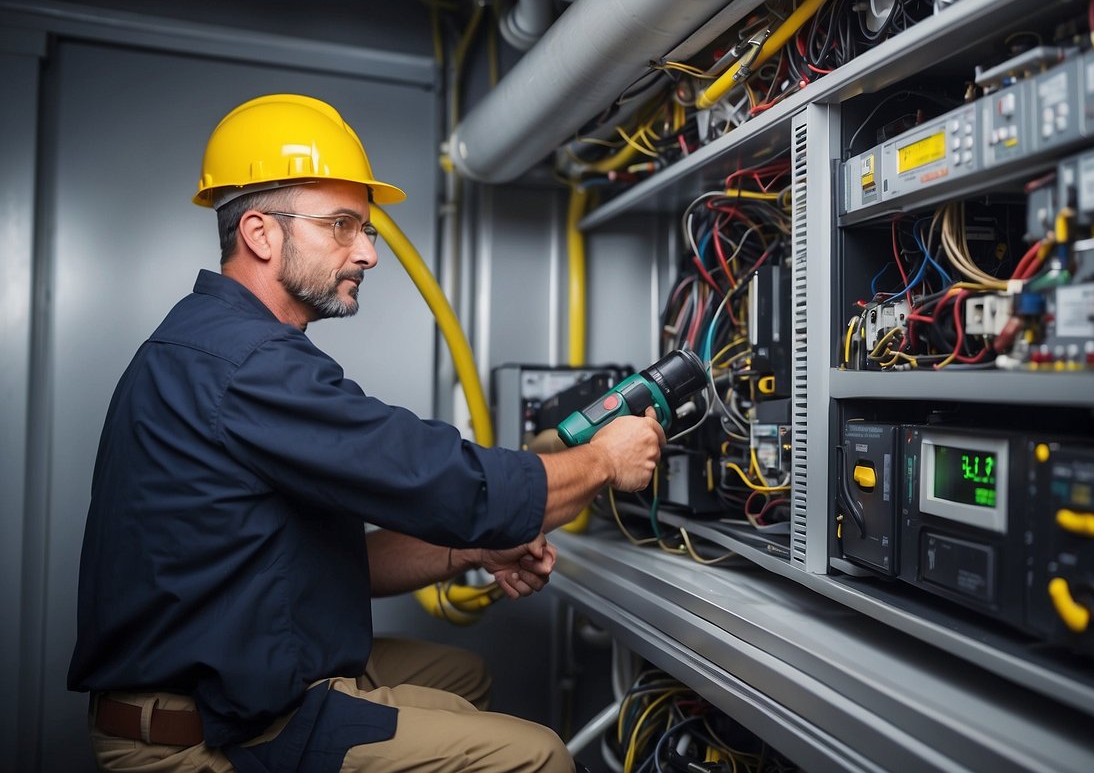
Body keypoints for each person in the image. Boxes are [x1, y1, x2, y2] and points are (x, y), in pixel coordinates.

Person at [67, 93, 665, 773]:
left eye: (369, 230)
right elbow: (450, 484)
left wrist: (471, 549)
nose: (368, 253)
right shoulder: (247, 365)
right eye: (343, 226)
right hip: (199, 732)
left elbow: (314, 561)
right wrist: (603, 458)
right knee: (537, 756)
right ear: (262, 233)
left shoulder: (220, 345)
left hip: (236, 673)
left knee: (460, 675)